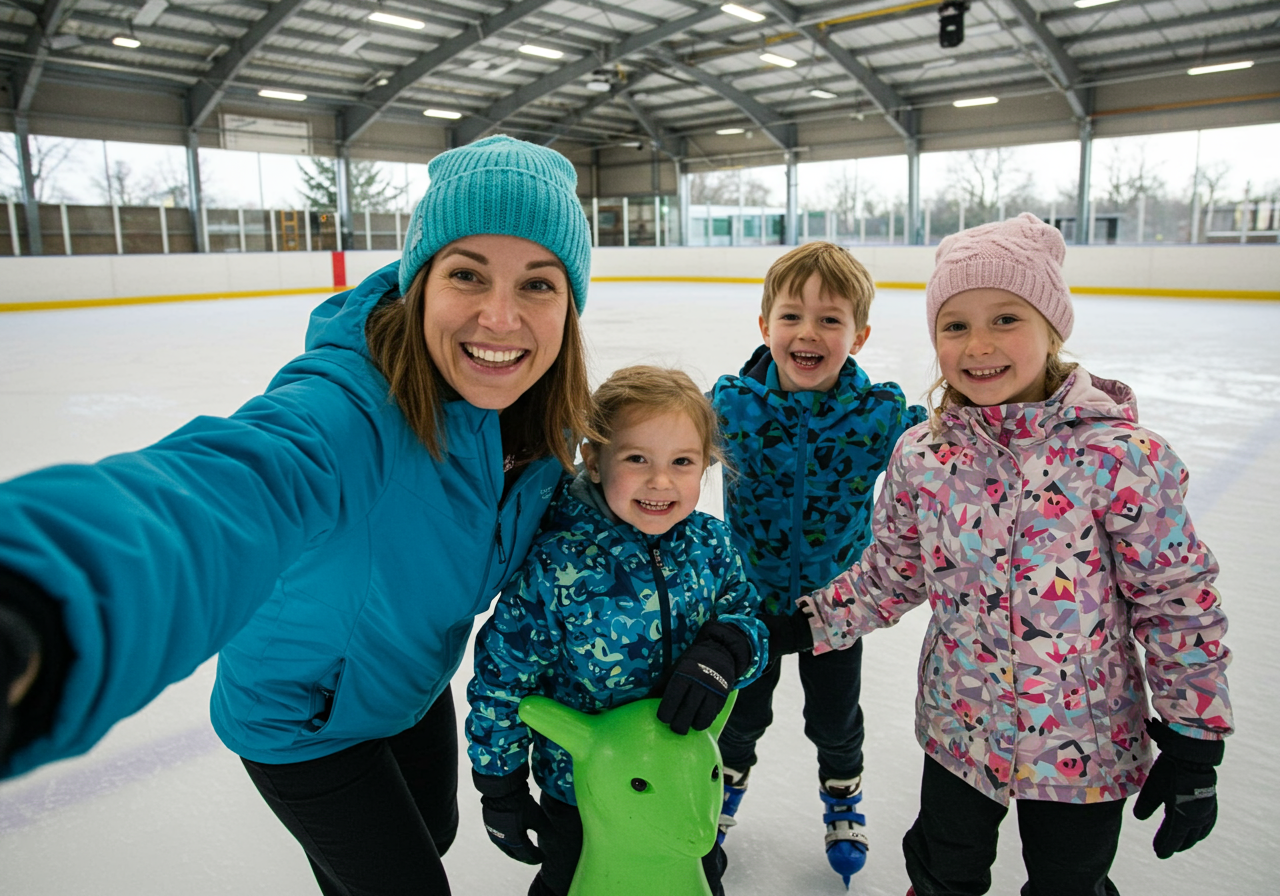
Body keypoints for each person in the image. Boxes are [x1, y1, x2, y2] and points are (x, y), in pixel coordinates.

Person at [0, 134, 595, 896]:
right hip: (302, 717)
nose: (501, 317)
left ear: (570, 305)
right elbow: (231, 488)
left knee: (429, 834)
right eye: (466, 274)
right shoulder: (351, 408)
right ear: (419, 282)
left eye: (539, 284)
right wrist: (46, 604)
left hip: (408, 684)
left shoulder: (541, 425)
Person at [788, 213, 1233, 896]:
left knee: (1068, 883)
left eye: (1005, 319)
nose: (978, 345)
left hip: (1083, 739)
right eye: (955, 324)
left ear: (1052, 328)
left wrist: (1194, 736)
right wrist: (807, 622)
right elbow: (894, 572)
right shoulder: (924, 455)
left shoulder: (1117, 458)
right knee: (943, 869)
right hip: (959, 723)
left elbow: (1177, 601)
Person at [465, 365, 769, 896]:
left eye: (682, 462)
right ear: (594, 460)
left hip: (684, 784)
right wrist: (501, 786)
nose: (660, 481)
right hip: (583, 794)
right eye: (637, 459)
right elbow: (502, 679)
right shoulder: (558, 564)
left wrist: (726, 649)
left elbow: (749, 620)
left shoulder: (712, 547)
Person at [708, 240, 924, 883]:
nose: (809, 332)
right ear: (765, 326)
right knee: (741, 716)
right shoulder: (732, 407)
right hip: (748, 605)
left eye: (830, 319)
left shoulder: (878, 416)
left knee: (834, 718)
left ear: (857, 335)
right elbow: (664, 440)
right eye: (792, 316)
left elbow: (941, 449)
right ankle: (719, 797)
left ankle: (843, 796)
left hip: (837, 608)